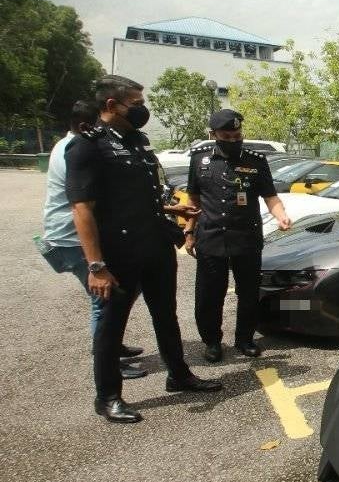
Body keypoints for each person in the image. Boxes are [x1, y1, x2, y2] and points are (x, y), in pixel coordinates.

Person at [66, 75, 222, 424]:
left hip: (154, 245)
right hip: (119, 254)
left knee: (166, 315)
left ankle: (179, 375)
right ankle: (108, 397)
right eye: (135, 104)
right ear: (111, 105)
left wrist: (173, 211)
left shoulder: (137, 141)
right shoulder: (88, 146)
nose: (142, 109)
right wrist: (96, 265)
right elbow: (82, 209)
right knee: (111, 327)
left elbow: (137, 198)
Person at [39, 101, 147, 379]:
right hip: (74, 238)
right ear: (90, 125)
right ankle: (109, 361)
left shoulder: (71, 143)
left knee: (121, 292)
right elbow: (85, 206)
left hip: (72, 235)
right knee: (106, 301)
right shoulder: (76, 149)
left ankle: (113, 346)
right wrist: (97, 264)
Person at [184, 109, 291, 362]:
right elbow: (193, 199)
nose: (233, 140)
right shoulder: (199, 160)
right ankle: (212, 341)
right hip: (210, 237)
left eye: (237, 135)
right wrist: (189, 231)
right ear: (214, 134)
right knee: (209, 294)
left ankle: (244, 339)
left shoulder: (256, 161)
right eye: (227, 136)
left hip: (246, 238)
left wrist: (281, 215)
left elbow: (270, 196)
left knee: (248, 292)